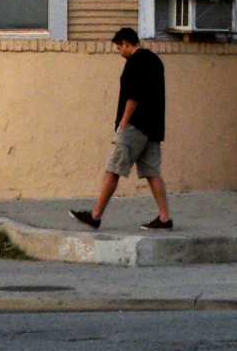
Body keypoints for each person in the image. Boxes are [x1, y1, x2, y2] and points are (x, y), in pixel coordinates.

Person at [70, 28, 173, 231]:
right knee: (152, 173)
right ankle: (164, 218)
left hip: (134, 127)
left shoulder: (134, 63)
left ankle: (95, 216)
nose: (119, 51)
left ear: (126, 43)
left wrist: (123, 124)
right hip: (153, 128)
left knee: (113, 169)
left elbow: (133, 96)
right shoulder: (155, 60)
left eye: (119, 47)